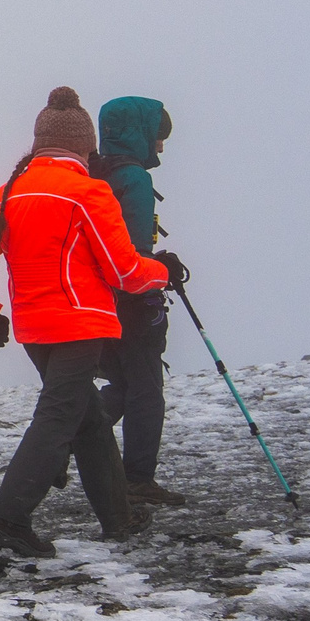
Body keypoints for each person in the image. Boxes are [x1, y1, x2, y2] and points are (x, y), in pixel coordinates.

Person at [0, 87, 183, 558]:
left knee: (89, 420)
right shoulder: (88, 193)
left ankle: (118, 517)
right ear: (84, 146)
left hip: (33, 330)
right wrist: (164, 270)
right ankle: (8, 521)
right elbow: (124, 271)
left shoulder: (6, 195)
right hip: (80, 325)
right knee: (59, 418)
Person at [97, 97, 186, 508]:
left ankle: (60, 442)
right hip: (131, 299)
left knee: (123, 384)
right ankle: (138, 478)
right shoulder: (134, 179)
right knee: (147, 390)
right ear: (140, 134)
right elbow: (132, 252)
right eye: (158, 136)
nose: (161, 146)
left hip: (97, 299)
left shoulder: (95, 173)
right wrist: (158, 272)